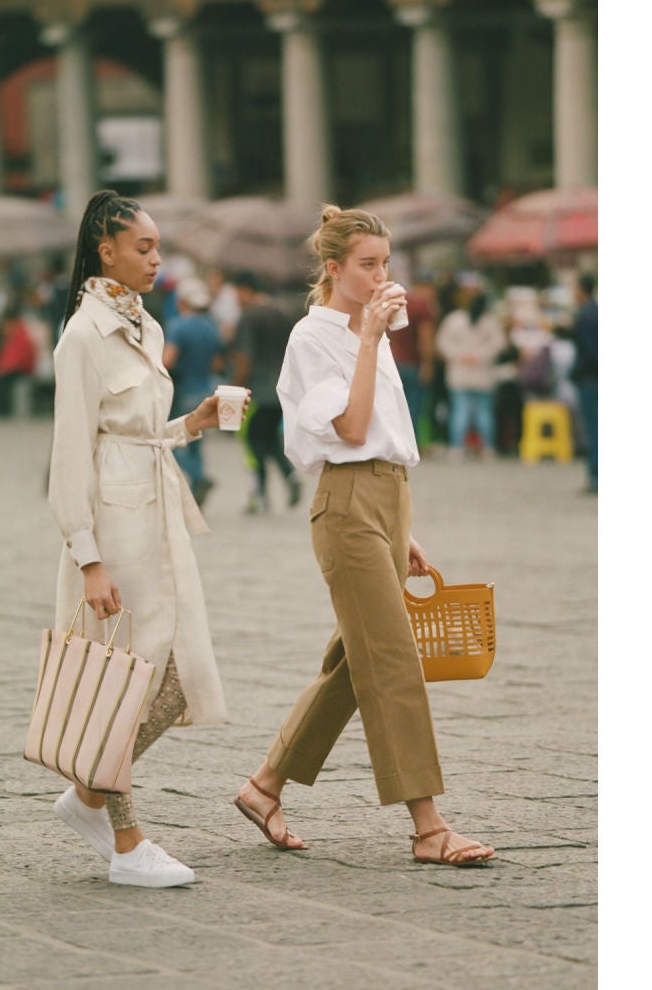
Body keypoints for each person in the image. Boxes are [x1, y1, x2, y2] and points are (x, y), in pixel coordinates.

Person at [233, 205, 495, 867]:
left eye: (386, 263)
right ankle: (428, 826)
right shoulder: (312, 337)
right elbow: (350, 431)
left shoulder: (362, 328)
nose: (382, 275)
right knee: (392, 659)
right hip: (347, 503)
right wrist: (373, 338)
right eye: (367, 265)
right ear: (333, 269)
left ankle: (265, 786)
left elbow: (385, 439)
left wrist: (402, 529)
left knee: (356, 663)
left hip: (386, 500)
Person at [47, 189, 246, 888]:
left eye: (158, 247)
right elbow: (70, 453)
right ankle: (127, 843)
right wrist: (88, 557)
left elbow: (140, 431)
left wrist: (193, 422)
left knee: (175, 676)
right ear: (106, 250)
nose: (156, 259)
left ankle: (89, 796)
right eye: (143, 248)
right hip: (115, 523)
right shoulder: (82, 337)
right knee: (131, 675)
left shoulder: (146, 327)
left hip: (157, 507)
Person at [229, 270, 301, 514]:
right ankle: (290, 477)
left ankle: (260, 494)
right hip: (282, 390)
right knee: (269, 438)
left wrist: (236, 389)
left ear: (246, 290)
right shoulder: (283, 313)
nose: (236, 299)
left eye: (237, 293)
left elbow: (243, 356)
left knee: (252, 442)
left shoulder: (248, 317)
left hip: (256, 392)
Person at [162, 276, 224, 507]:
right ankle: (199, 485)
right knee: (197, 442)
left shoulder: (178, 326)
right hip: (206, 390)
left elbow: (167, 360)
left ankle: (199, 478)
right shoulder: (211, 327)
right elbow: (218, 364)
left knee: (172, 443)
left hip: (184, 391)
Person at [435, 292, 505, 459]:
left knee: (460, 411)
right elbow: (499, 344)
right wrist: (480, 356)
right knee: (484, 411)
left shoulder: (454, 320)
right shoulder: (491, 322)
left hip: (459, 371)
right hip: (483, 373)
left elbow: (443, 342)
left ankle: (456, 447)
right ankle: (488, 447)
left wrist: (459, 355)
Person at [389, 272, 439, 454]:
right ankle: (412, 445)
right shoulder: (423, 307)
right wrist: (428, 364)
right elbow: (425, 338)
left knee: (396, 405)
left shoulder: (401, 302)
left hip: (394, 361)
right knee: (414, 407)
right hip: (412, 363)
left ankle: (397, 444)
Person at [570, 272, 598, 493]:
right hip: (592, 376)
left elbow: (590, 351)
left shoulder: (586, 315)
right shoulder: (594, 311)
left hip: (590, 378)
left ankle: (595, 475)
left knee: (593, 428)